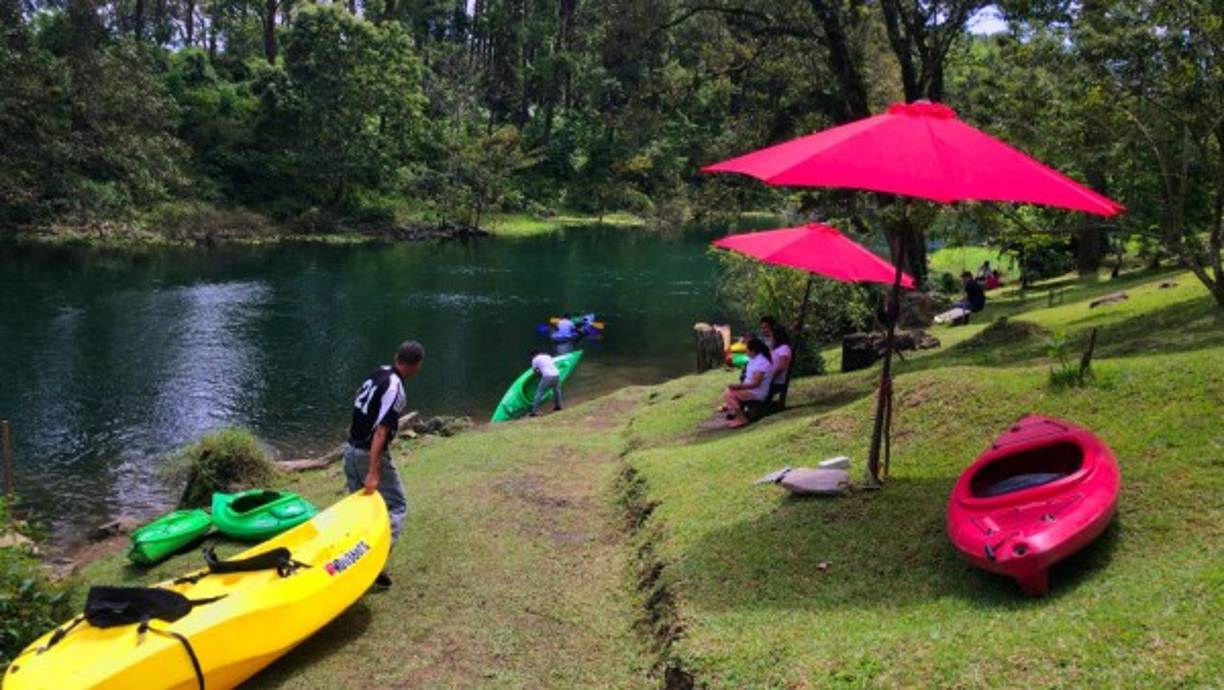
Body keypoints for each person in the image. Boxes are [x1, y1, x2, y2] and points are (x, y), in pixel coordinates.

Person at [344, 340, 423, 589]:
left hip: (349, 450)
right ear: (417, 366)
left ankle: (352, 561)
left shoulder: (379, 371)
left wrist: (355, 426)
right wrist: (374, 471)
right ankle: (373, 562)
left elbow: (358, 397)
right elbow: (381, 432)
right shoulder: (396, 389)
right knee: (397, 505)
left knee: (361, 511)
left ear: (396, 356)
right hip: (367, 453)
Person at [721, 338, 773, 428]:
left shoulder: (761, 362)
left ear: (753, 351)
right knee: (729, 391)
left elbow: (755, 383)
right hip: (751, 390)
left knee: (729, 393)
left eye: (747, 349)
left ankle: (741, 418)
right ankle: (738, 415)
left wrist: (739, 386)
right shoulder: (754, 359)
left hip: (757, 392)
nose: (745, 351)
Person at [759, 317, 793, 399]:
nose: (771, 337)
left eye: (772, 335)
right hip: (769, 380)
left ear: (777, 336)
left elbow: (781, 368)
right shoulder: (775, 349)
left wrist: (767, 379)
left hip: (776, 383)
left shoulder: (784, 348)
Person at [529, 349, 563, 416]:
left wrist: (540, 376)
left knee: (539, 393)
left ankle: (534, 412)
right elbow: (553, 364)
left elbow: (535, 371)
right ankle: (558, 406)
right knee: (556, 391)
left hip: (547, 376)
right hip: (556, 374)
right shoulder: (548, 356)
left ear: (533, 355)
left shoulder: (534, 359)